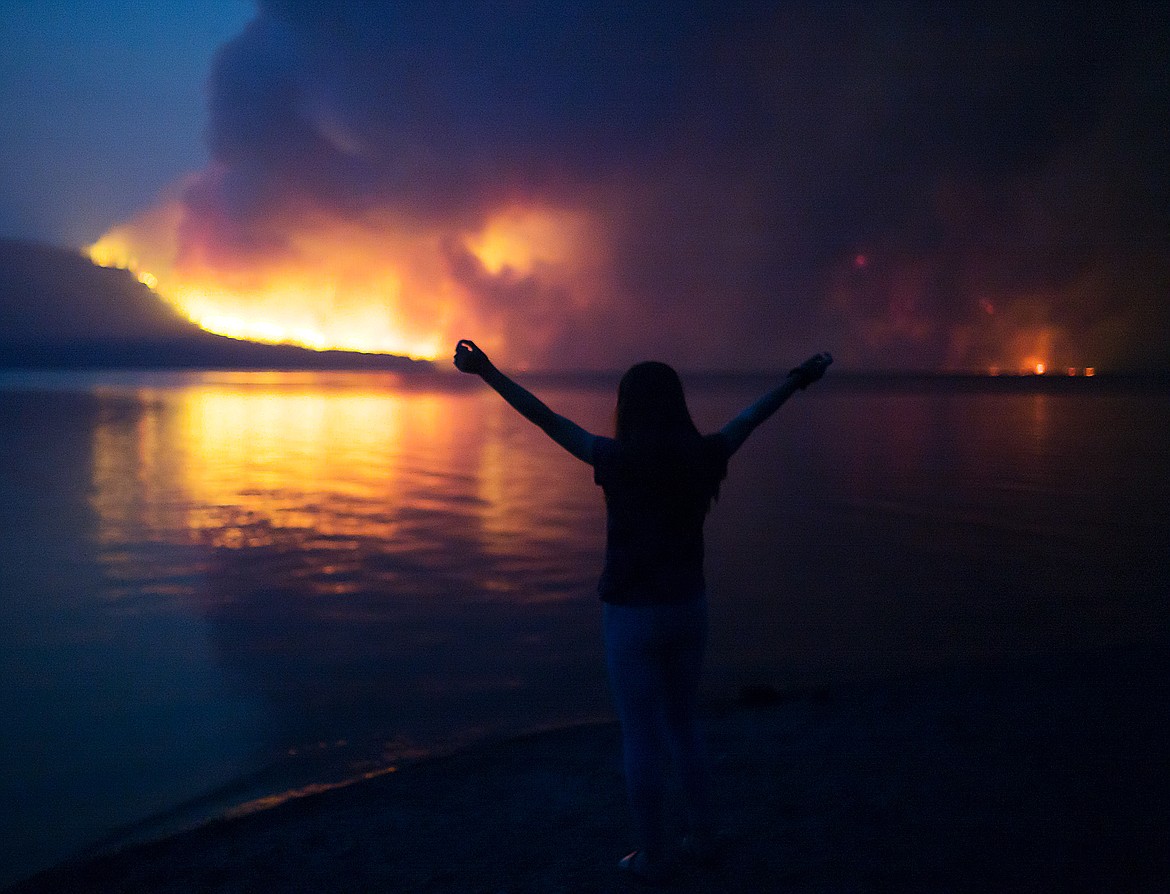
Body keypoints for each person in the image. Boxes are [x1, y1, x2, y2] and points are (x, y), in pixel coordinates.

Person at [453, 339, 832, 882]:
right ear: (677, 404)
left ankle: (654, 855)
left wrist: (486, 370)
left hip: (632, 614)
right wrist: (798, 380)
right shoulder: (705, 454)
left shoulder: (615, 459)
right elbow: (752, 417)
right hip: (687, 609)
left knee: (640, 734)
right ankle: (703, 838)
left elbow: (544, 418)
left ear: (626, 406)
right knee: (683, 726)